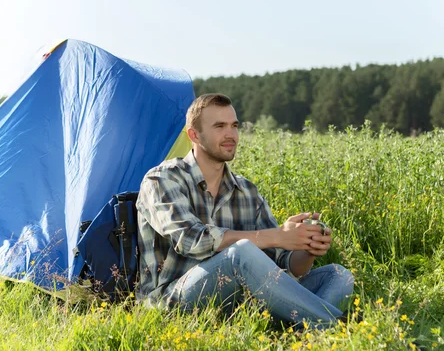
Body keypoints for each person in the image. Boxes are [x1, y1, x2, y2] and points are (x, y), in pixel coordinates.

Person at [136, 93, 354, 328]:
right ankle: (339, 328)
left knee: (338, 275)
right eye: (219, 126)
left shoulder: (247, 190)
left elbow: (283, 266)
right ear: (194, 135)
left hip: (240, 304)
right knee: (240, 253)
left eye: (234, 125)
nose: (231, 135)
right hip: (174, 303)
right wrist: (277, 235)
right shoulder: (162, 179)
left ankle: (304, 332)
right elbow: (190, 239)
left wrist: (305, 245)